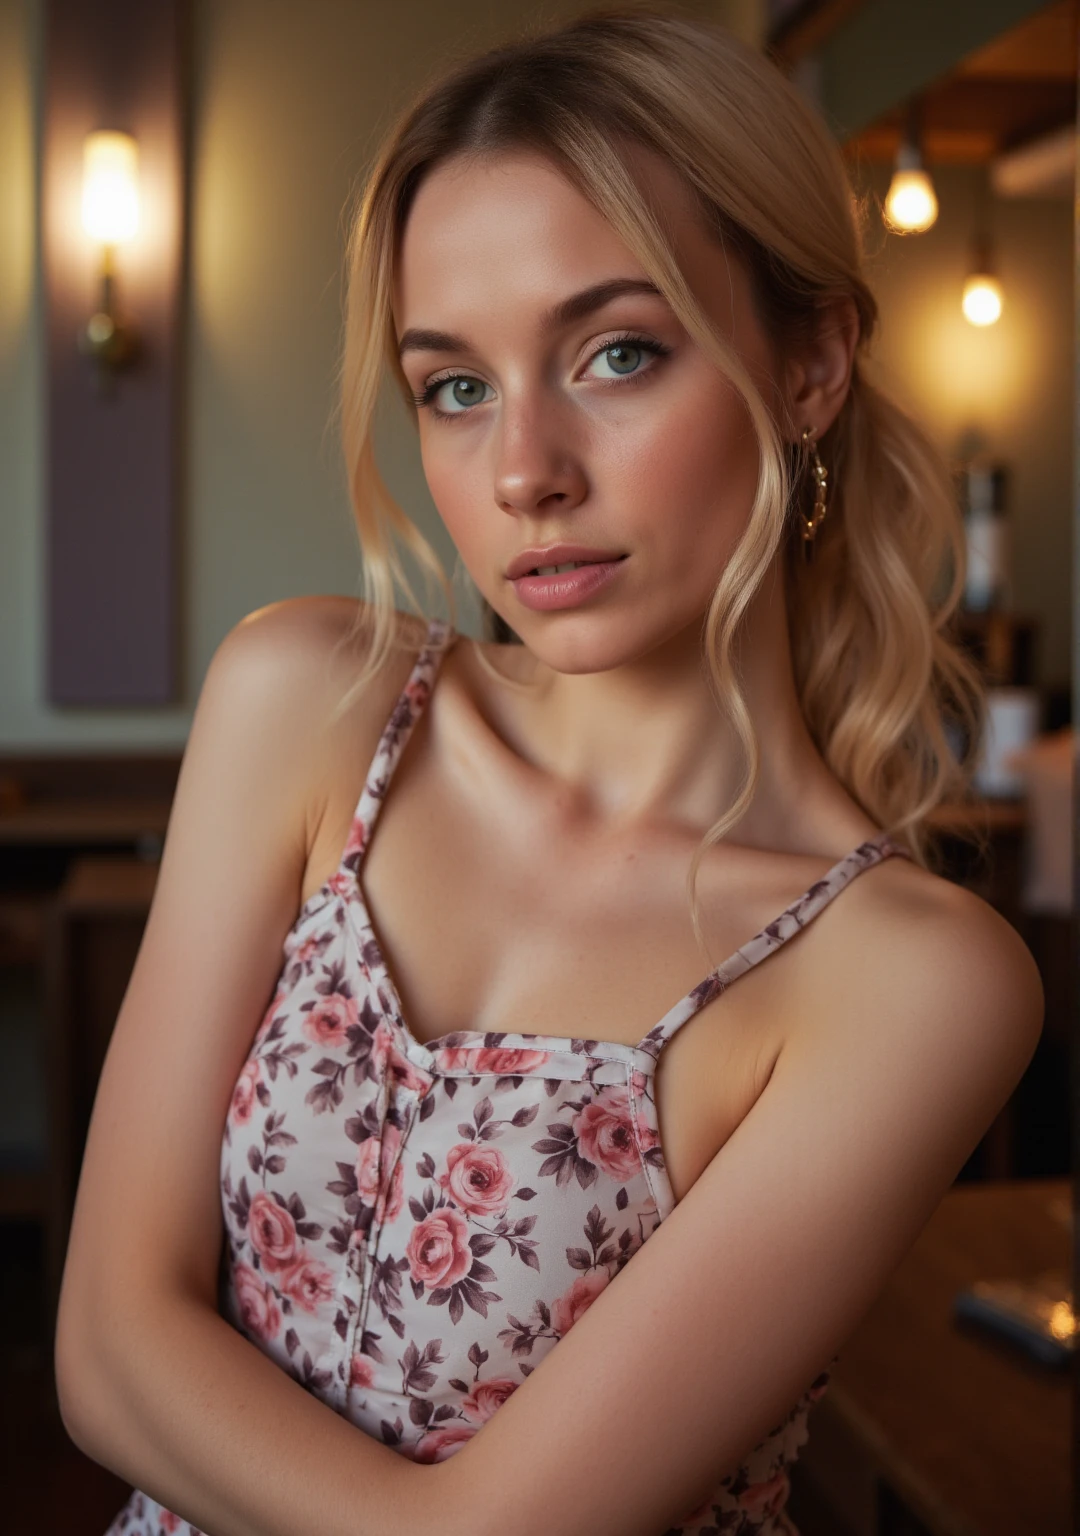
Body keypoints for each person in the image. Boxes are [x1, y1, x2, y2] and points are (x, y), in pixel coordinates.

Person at [55, 8, 1044, 1535]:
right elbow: (106, 1355)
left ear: (812, 366)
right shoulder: (303, 703)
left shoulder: (908, 979)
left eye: (617, 354)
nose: (524, 470)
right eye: (454, 386)